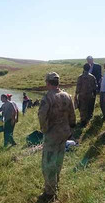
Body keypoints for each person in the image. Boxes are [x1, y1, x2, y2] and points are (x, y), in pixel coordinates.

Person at [38, 72, 76, 202]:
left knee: (48, 163)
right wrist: (70, 128)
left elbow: (42, 116)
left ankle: (49, 193)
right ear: (58, 83)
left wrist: (44, 130)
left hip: (52, 134)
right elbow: (72, 114)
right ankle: (56, 185)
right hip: (64, 133)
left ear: (48, 83)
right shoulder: (67, 96)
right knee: (59, 159)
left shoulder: (47, 97)